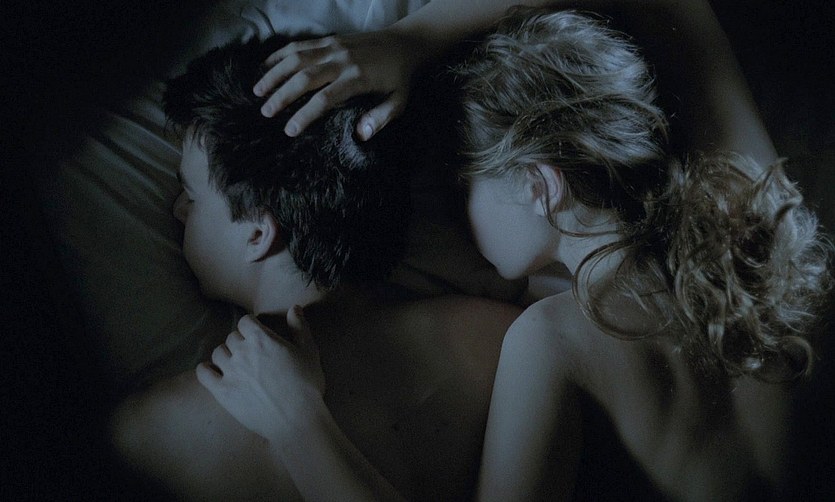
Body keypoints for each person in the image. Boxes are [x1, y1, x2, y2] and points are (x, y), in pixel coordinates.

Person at [203, 1, 833, 500]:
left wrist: (298, 425)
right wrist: (408, 43)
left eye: (462, 188)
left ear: (539, 184)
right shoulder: (763, 240)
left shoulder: (552, 340)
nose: (456, 217)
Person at [111, 34, 521, 500]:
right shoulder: (499, 340)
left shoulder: (154, 437)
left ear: (257, 233)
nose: (178, 210)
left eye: (192, 195)